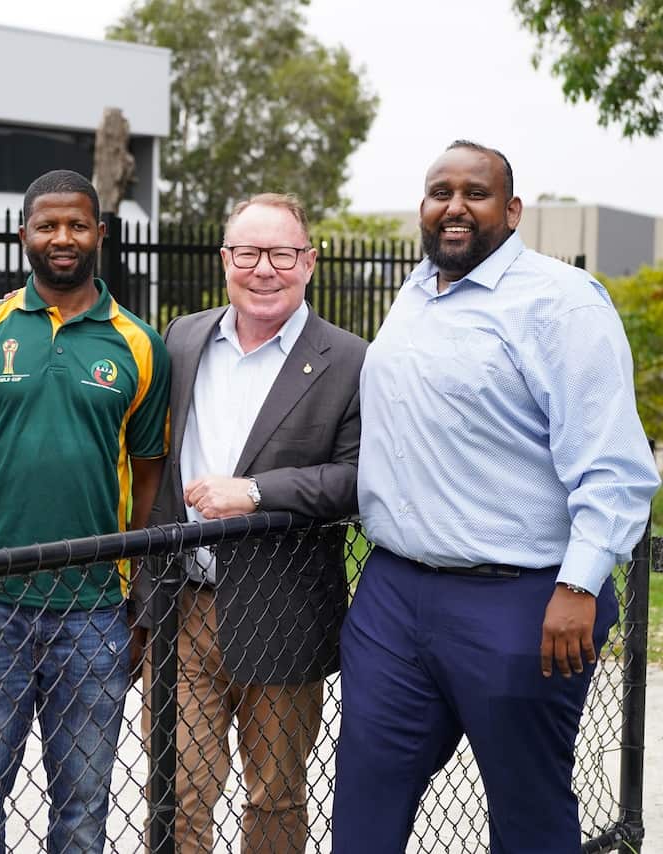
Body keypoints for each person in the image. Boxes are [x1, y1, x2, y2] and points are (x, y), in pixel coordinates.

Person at [333, 141, 660, 853]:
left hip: (522, 598)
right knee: (364, 801)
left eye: (475, 193)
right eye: (439, 190)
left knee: (528, 809)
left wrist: (579, 583)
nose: (454, 206)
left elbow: (614, 463)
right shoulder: (417, 291)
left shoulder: (561, 302)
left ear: (511, 211)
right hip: (392, 593)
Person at [0, 169, 170, 854]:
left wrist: (138, 596)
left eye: (78, 224)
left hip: (94, 615)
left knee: (82, 813)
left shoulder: (139, 345)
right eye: (48, 225)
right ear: (21, 233)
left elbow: (149, 480)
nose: (63, 238)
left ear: (100, 235)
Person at [135, 193, 366, 853]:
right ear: (226, 259)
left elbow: (357, 480)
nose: (265, 268)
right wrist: (148, 603)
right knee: (176, 793)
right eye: (248, 252)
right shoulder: (184, 338)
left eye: (282, 253)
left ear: (309, 261)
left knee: (275, 798)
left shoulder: (349, 360)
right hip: (187, 614)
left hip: (284, 610)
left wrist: (257, 492)